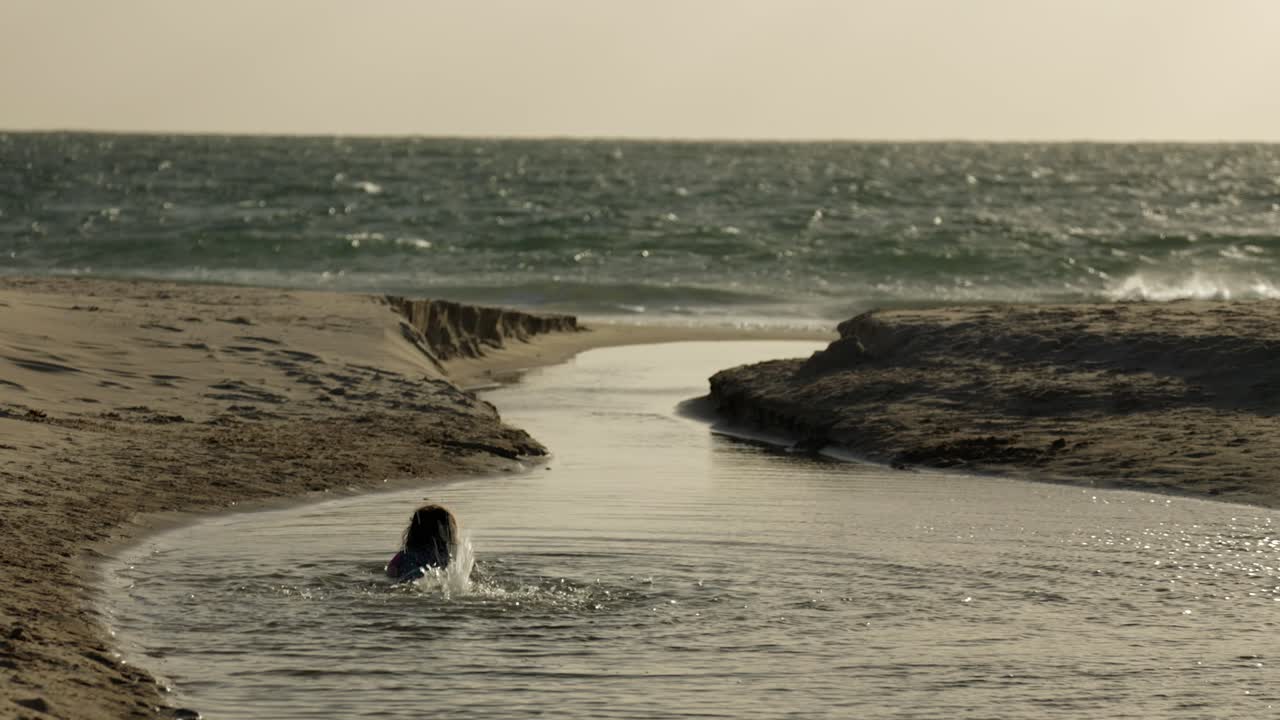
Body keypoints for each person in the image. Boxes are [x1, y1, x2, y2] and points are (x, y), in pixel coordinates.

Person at [385, 504, 458, 582]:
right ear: (448, 532)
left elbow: (391, 572)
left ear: (413, 531)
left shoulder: (404, 556)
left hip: (408, 579)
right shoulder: (451, 555)